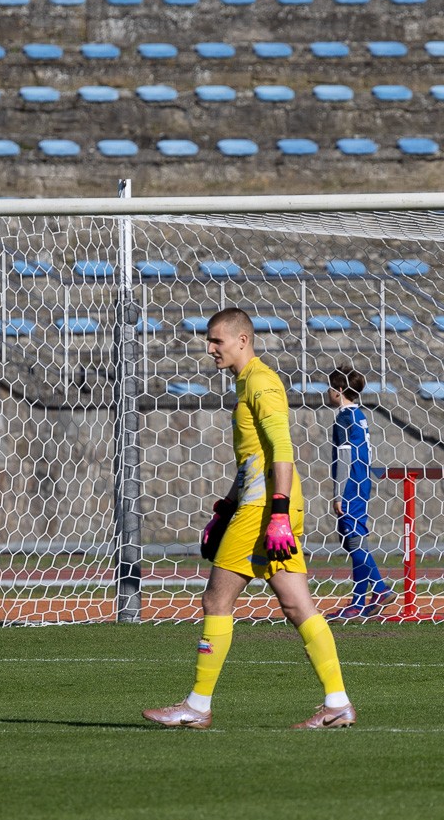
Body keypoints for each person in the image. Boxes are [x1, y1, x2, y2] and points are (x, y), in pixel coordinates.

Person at [143, 307, 356, 730]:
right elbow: (253, 459)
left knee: (216, 601)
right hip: (266, 505)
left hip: (264, 510)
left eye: (216, 340)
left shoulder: (261, 382)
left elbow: (282, 450)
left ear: (242, 340)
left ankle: (197, 707)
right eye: (209, 340)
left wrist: (276, 513)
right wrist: (225, 506)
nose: (210, 348)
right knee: (297, 605)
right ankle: (338, 704)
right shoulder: (246, 383)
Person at [325, 366, 393, 618]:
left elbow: (345, 456)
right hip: (361, 480)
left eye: (330, 387)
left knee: (353, 540)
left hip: (350, 484)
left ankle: (378, 589)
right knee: (352, 540)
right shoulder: (359, 414)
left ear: (339, 389)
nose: (327, 392)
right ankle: (359, 602)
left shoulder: (344, 417)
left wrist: (338, 494)